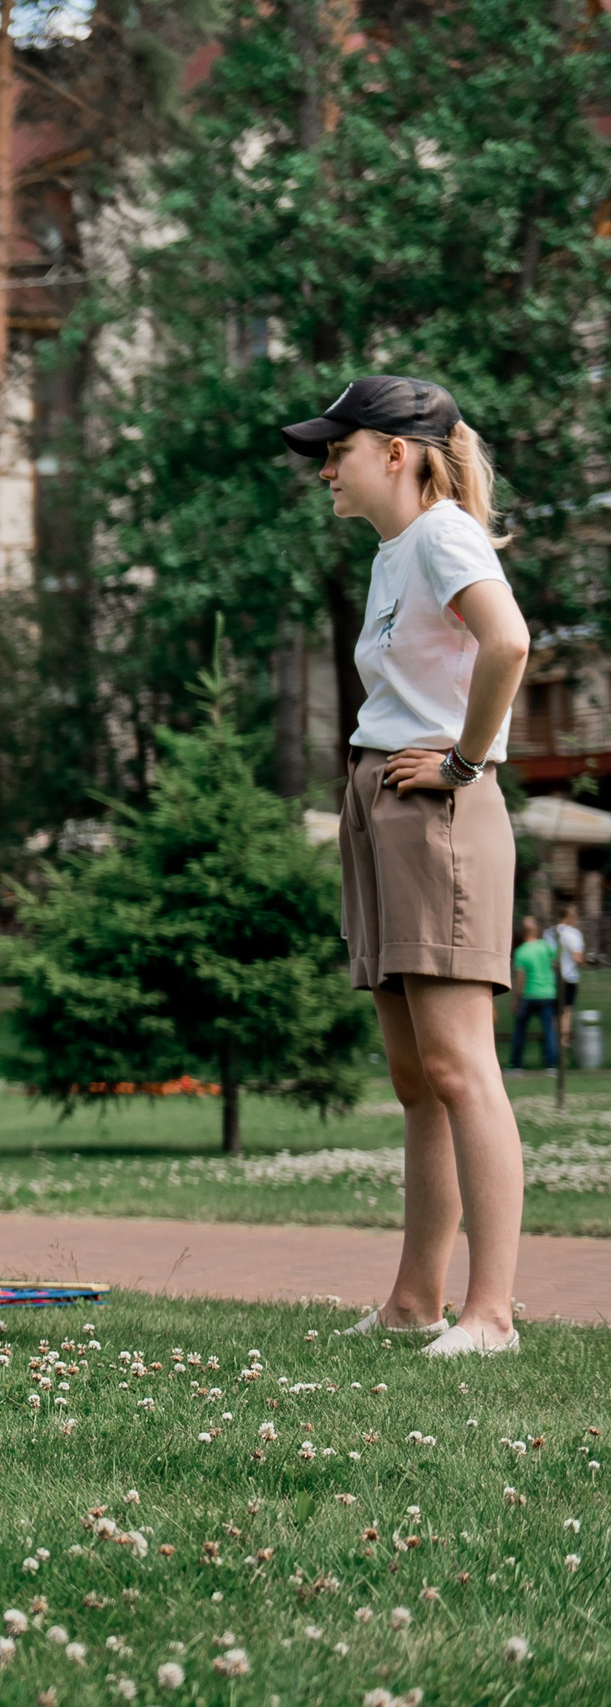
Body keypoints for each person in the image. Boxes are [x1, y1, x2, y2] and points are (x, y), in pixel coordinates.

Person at [285, 376, 530, 1356]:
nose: (322, 470)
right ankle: (413, 1301)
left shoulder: (439, 535)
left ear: (396, 452)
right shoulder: (400, 551)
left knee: (460, 1066)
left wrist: (466, 760)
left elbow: (506, 642)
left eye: (335, 451)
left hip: (435, 802)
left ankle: (492, 1313)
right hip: (383, 796)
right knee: (415, 1075)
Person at [509, 917, 557, 1072]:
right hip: (547, 994)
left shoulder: (521, 952)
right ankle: (551, 1064)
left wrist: (517, 998)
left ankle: (516, 1064)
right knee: (549, 1030)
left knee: (520, 1030)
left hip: (529, 995)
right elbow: (555, 964)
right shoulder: (545, 947)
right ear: (536, 930)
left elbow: (520, 978)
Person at [550, 901, 584, 1064]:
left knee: (555, 1012)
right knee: (567, 1011)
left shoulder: (549, 932)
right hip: (569, 977)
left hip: (552, 977)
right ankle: (563, 1041)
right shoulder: (573, 934)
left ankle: (553, 1041)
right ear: (569, 916)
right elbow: (576, 957)